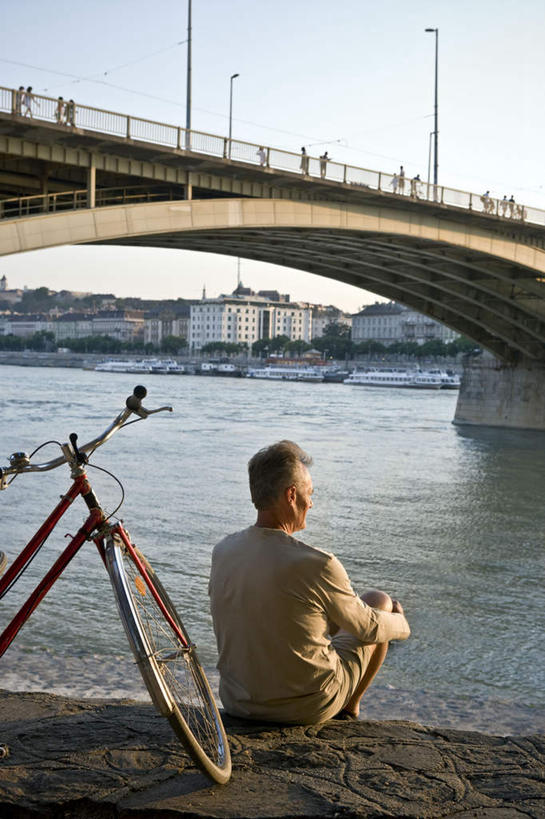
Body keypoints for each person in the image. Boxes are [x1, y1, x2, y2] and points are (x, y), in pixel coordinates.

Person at [209, 441, 410, 724]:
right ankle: (349, 708)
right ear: (292, 495)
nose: (311, 503)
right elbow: (370, 627)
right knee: (379, 602)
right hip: (307, 706)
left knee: (328, 615)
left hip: (239, 702)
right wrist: (401, 623)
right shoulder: (317, 564)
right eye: (309, 493)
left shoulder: (223, 551)